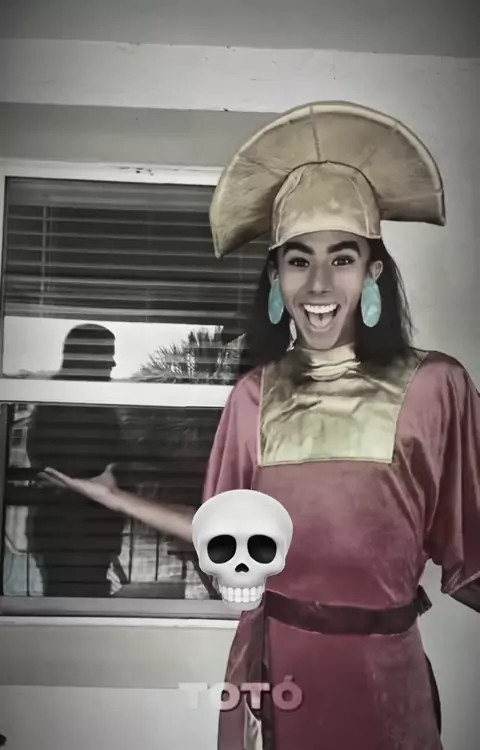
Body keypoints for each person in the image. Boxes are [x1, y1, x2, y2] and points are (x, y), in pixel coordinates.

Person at [39, 102, 480, 750]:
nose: (319, 284)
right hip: (275, 668)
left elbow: (471, 548)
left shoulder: (436, 386)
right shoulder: (255, 395)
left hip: (386, 678)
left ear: (374, 271)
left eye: (342, 258)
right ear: (276, 276)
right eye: (298, 261)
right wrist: (113, 498)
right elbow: (220, 528)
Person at [27, 324, 125, 597]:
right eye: (108, 354)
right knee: (77, 605)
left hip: (76, 529)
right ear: (88, 355)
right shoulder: (70, 404)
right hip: (74, 531)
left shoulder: (68, 401)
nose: (113, 363)